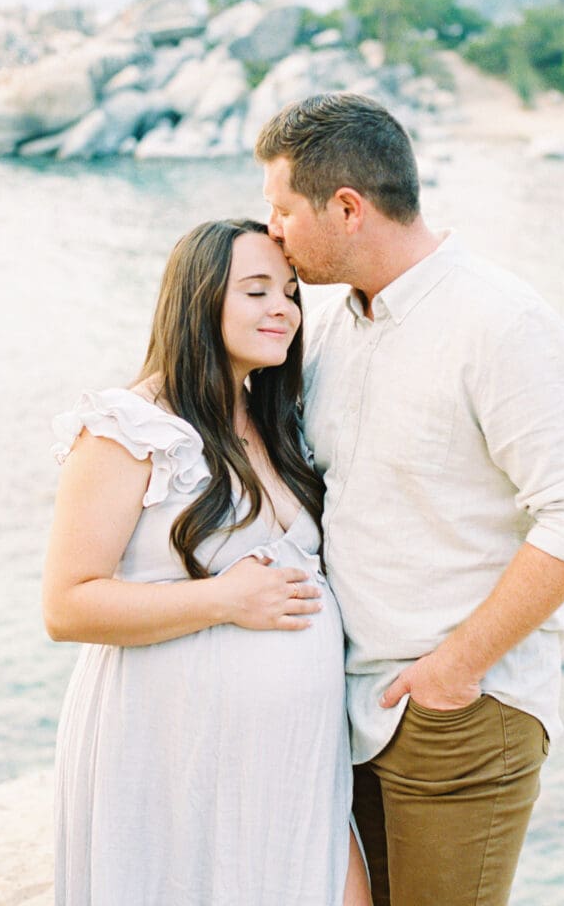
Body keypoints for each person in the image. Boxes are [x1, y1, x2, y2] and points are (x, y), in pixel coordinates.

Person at [256, 93, 564, 906]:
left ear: (346, 207)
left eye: (281, 209)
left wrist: (455, 670)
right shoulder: (329, 330)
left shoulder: (501, 324)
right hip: (349, 714)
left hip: (458, 716)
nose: (271, 230)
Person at [42, 218, 372, 906]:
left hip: (294, 763)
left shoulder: (274, 421)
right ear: (198, 299)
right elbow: (67, 604)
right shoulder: (126, 428)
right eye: (255, 291)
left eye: (288, 292)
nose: (281, 308)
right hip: (172, 757)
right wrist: (222, 601)